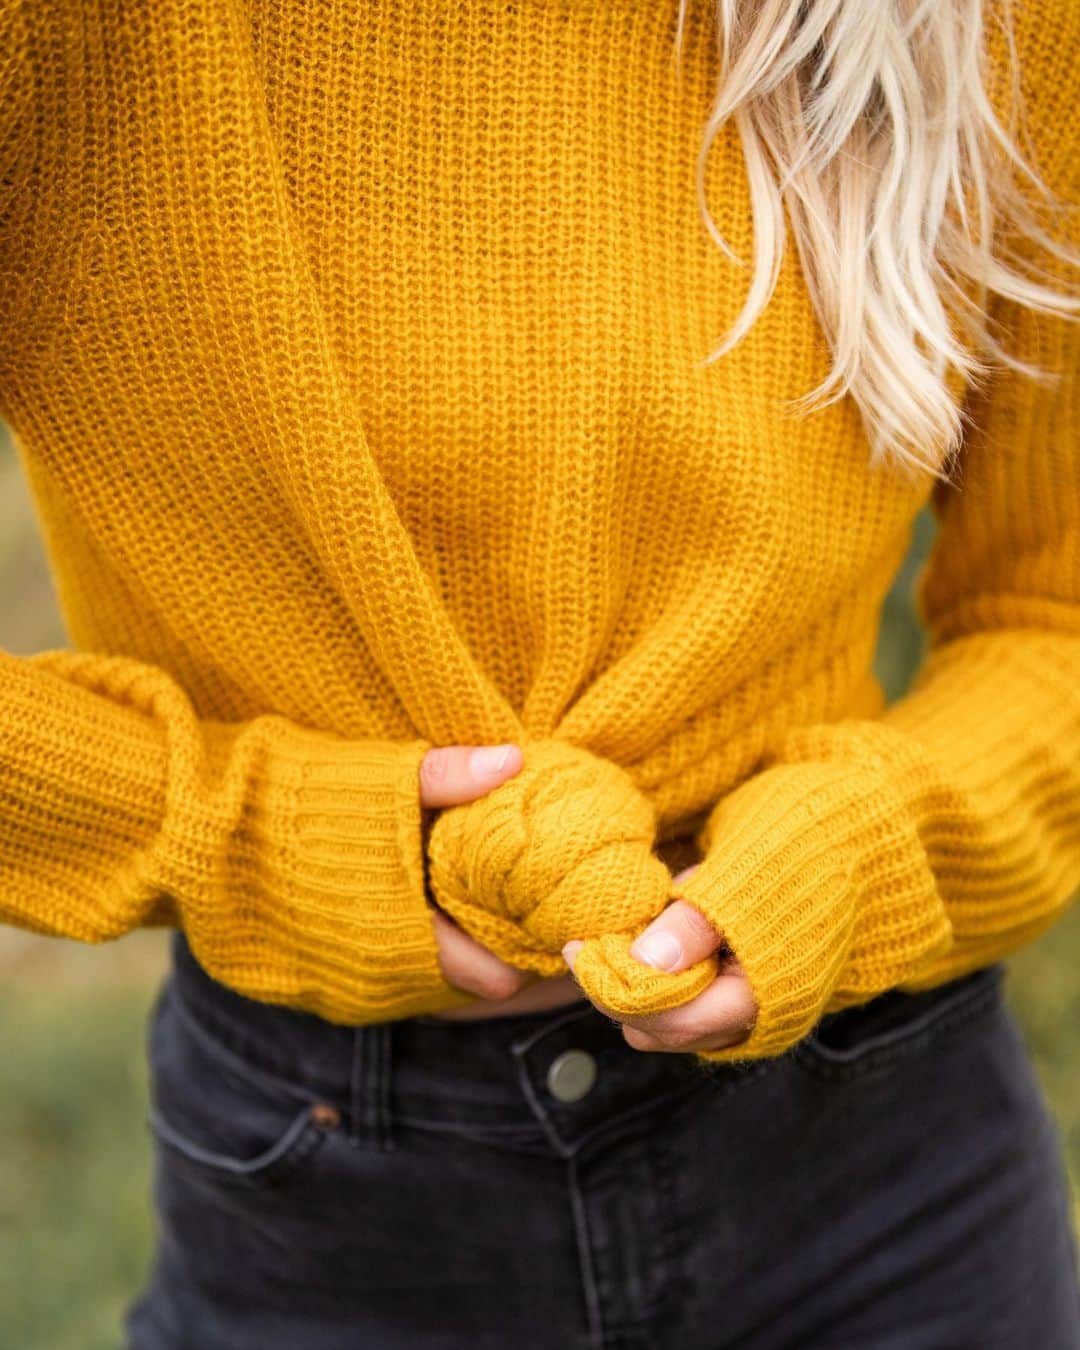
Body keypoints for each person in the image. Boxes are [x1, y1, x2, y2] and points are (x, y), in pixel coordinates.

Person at [1, 1, 1079, 1345]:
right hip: (333, 1184)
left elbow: (1056, 613)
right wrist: (244, 832)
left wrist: (870, 847)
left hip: (889, 1163)